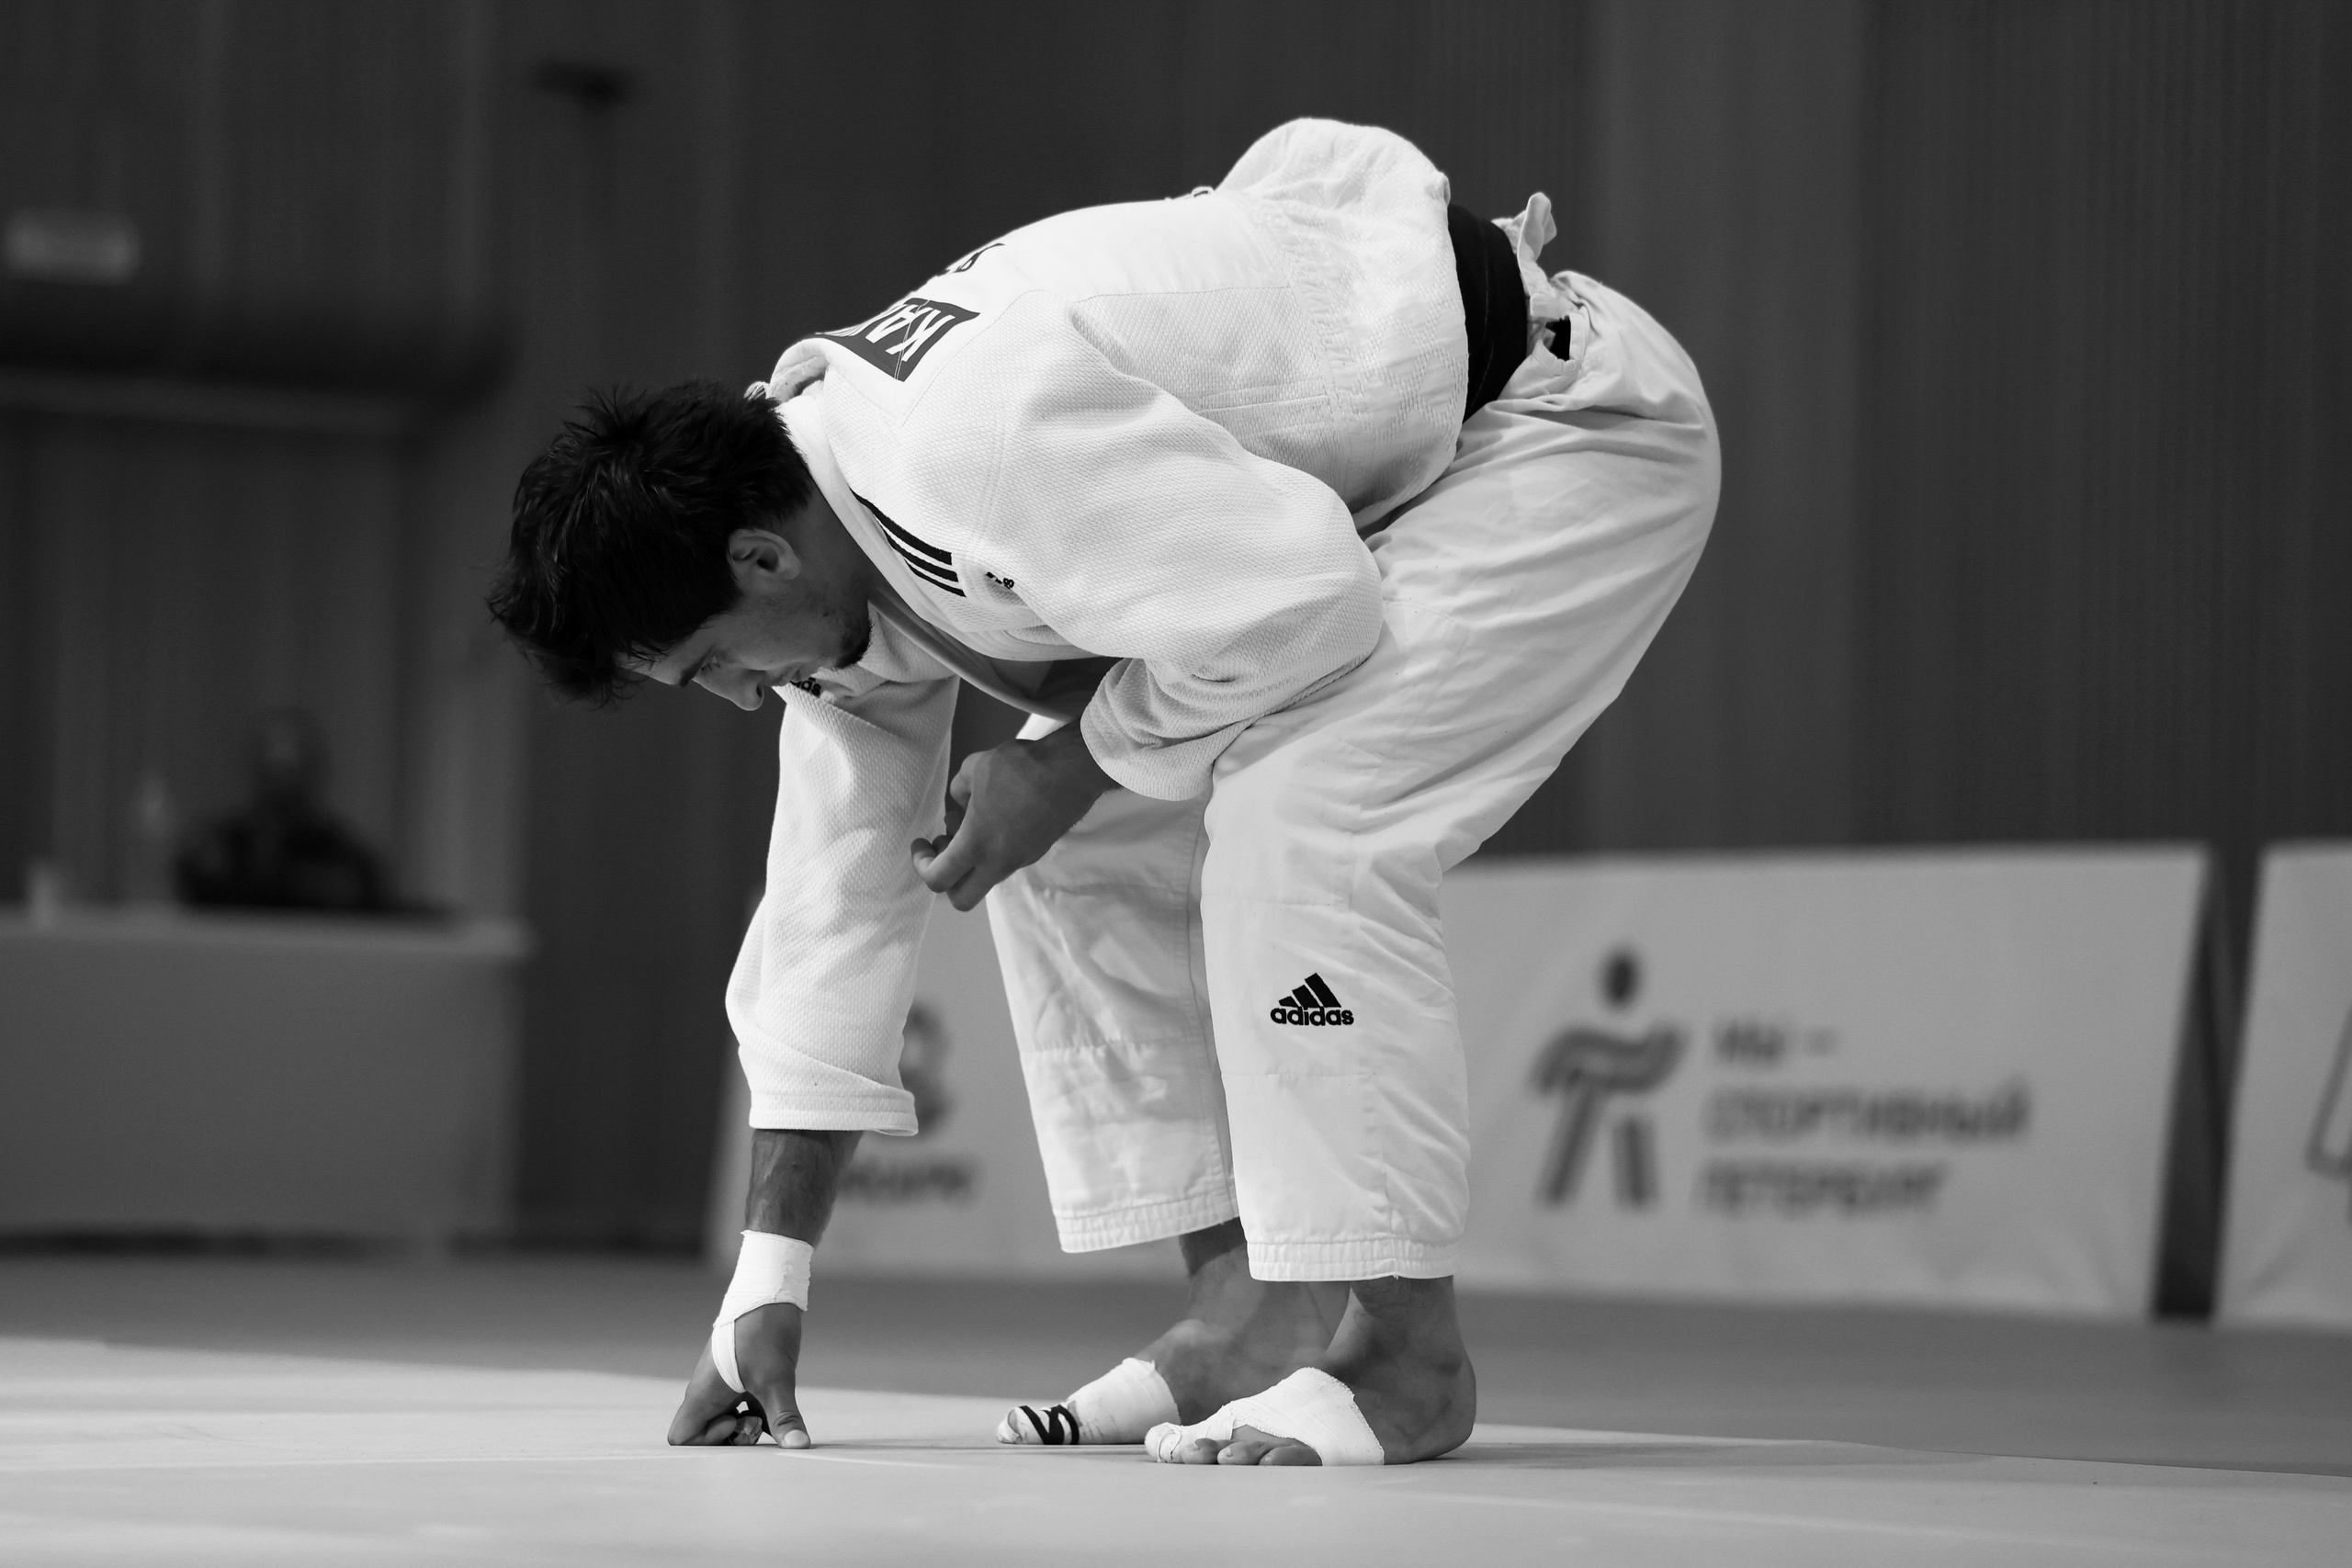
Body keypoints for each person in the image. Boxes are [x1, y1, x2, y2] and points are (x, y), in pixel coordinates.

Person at [489, 118, 1717, 1466]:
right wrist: (763, 1289)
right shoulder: (825, 544)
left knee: (1300, 818)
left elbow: (1310, 601)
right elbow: (833, 906)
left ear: (759, 559)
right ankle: (1249, 1306)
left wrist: (1065, 765)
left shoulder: (971, 444)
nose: (736, 698)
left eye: (713, 666)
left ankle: (1408, 1362)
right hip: (1362, 496)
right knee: (1056, 849)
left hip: (1554, 429)